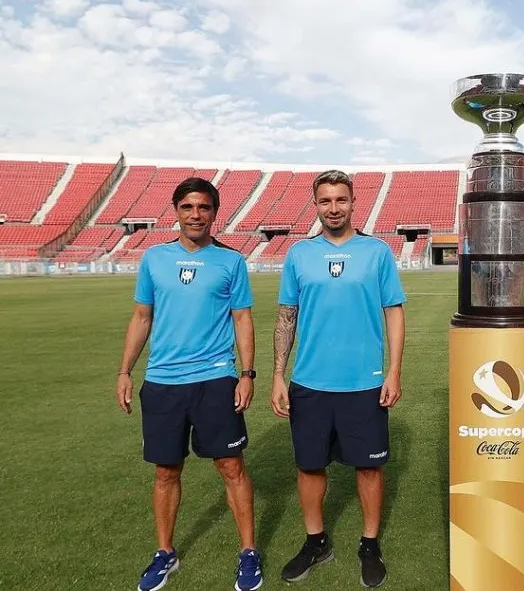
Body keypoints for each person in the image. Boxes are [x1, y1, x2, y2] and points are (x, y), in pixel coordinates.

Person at [116, 177, 262, 591]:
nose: (196, 214)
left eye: (204, 207)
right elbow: (142, 317)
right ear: (176, 211)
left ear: (215, 213)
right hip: (163, 382)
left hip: (216, 378)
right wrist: (125, 370)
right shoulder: (154, 259)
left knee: (231, 465)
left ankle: (248, 552)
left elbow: (242, 319)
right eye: (187, 207)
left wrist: (247, 374)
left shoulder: (231, 261)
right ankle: (165, 553)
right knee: (165, 471)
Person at [271, 169, 406, 588]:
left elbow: (394, 312)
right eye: (325, 200)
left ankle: (369, 544)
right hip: (309, 383)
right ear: (316, 205)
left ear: (353, 202)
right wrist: (278, 375)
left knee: (368, 469)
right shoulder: (298, 254)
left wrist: (394, 370)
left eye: (340, 200)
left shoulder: (377, 252)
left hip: (363, 383)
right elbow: (285, 317)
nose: (333, 208)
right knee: (310, 467)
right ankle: (316, 542)